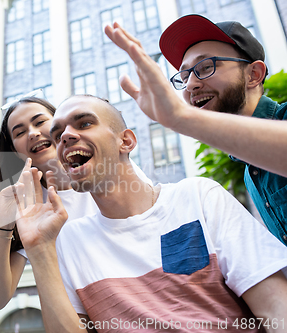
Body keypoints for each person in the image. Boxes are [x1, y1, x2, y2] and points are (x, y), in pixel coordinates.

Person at [14, 94, 287, 333]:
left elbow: (277, 310)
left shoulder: (198, 197)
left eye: (85, 123)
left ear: (127, 141)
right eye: (58, 133)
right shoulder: (68, 242)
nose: (65, 137)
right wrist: (38, 250)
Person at [104, 15, 287, 246]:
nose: (190, 84)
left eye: (206, 67)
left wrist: (181, 118)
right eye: (184, 75)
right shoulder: (250, 172)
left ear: (254, 75)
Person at [0, 96, 151, 311]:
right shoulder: (28, 208)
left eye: (40, 122)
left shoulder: (110, 169)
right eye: (20, 132)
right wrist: (3, 224)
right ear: (15, 151)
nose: (33, 133)